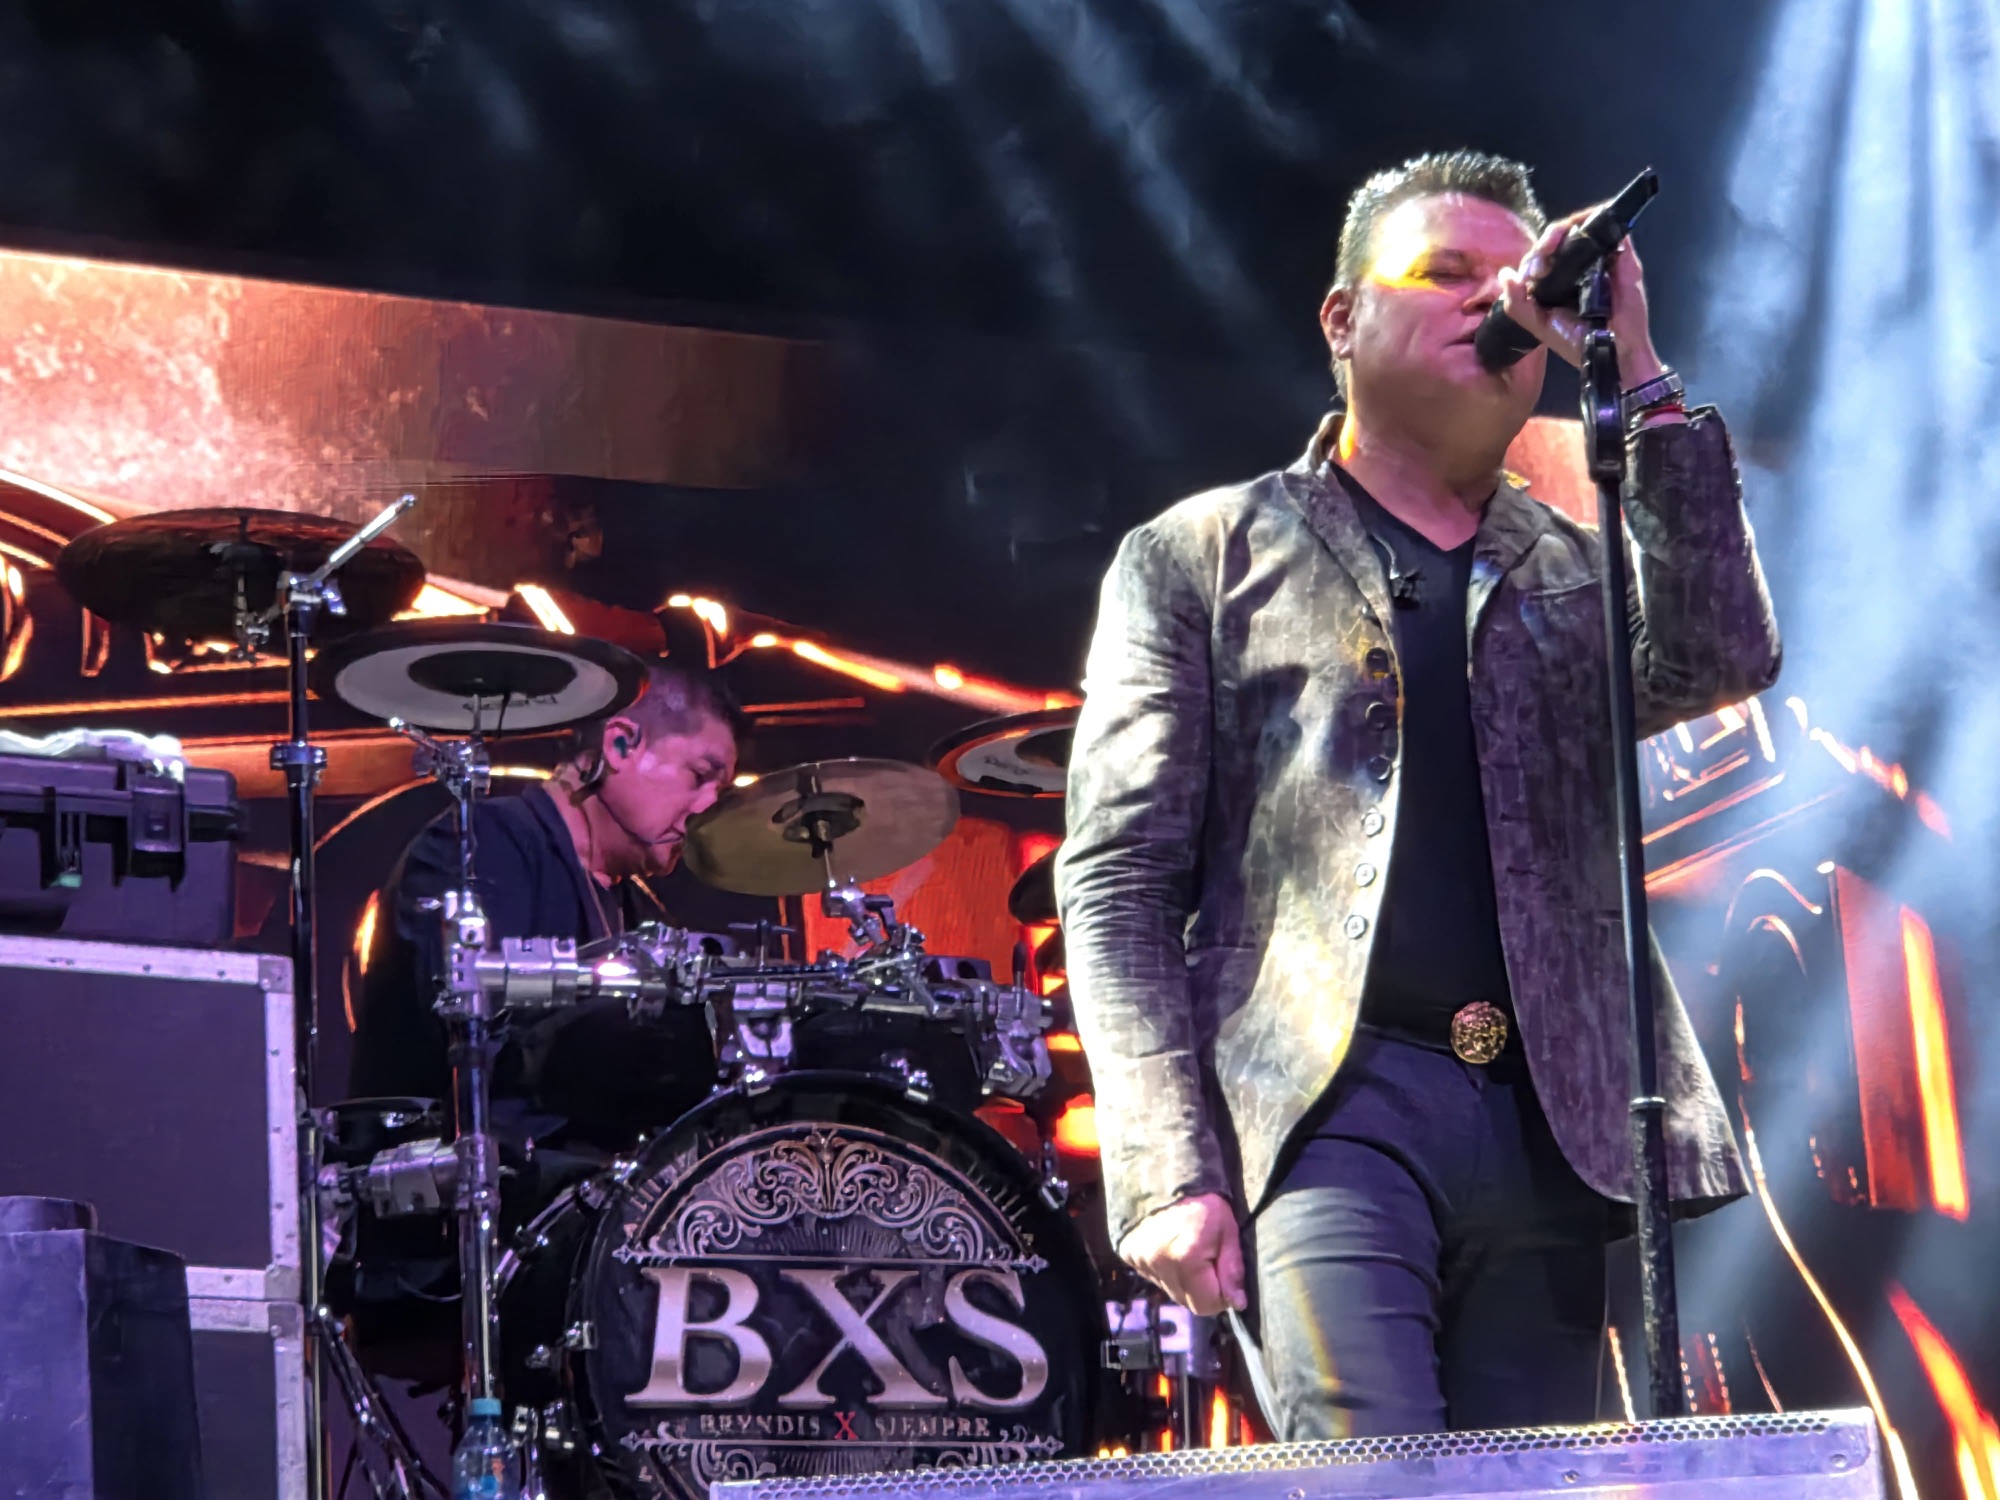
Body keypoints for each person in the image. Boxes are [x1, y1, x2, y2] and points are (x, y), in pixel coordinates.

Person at [1055, 150, 1781, 1437]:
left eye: (1509, 284)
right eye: (1442, 272)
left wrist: (1634, 367)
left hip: (1551, 1118)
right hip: (1328, 1110)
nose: (1488, 302)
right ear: (1342, 319)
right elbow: (1117, 881)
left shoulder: (1573, 567)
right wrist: (1163, 1164)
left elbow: (1722, 653)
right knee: (1367, 1465)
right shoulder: (1203, 556)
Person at [349, 660, 743, 1152]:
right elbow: (480, 1046)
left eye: (720, 791)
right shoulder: (481, 846)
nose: (707, 806)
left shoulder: (638, 909)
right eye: (700, 776)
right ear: (621, 744)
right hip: (456, 1181)